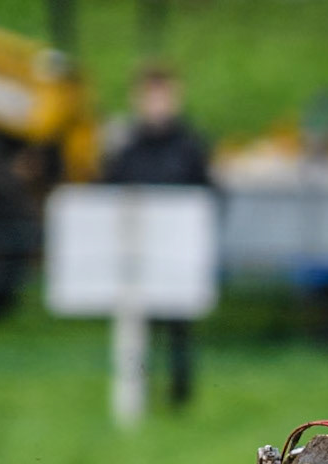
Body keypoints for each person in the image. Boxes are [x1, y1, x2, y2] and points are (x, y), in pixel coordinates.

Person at [102, 64, 212, 409]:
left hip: (178, 252)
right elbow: (108, 191)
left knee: (179, 328)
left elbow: (207, 193)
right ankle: (139, 392)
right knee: (137, 328)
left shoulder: (190, 146)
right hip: (139, 252)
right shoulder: (127, 147)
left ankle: (181, 396)